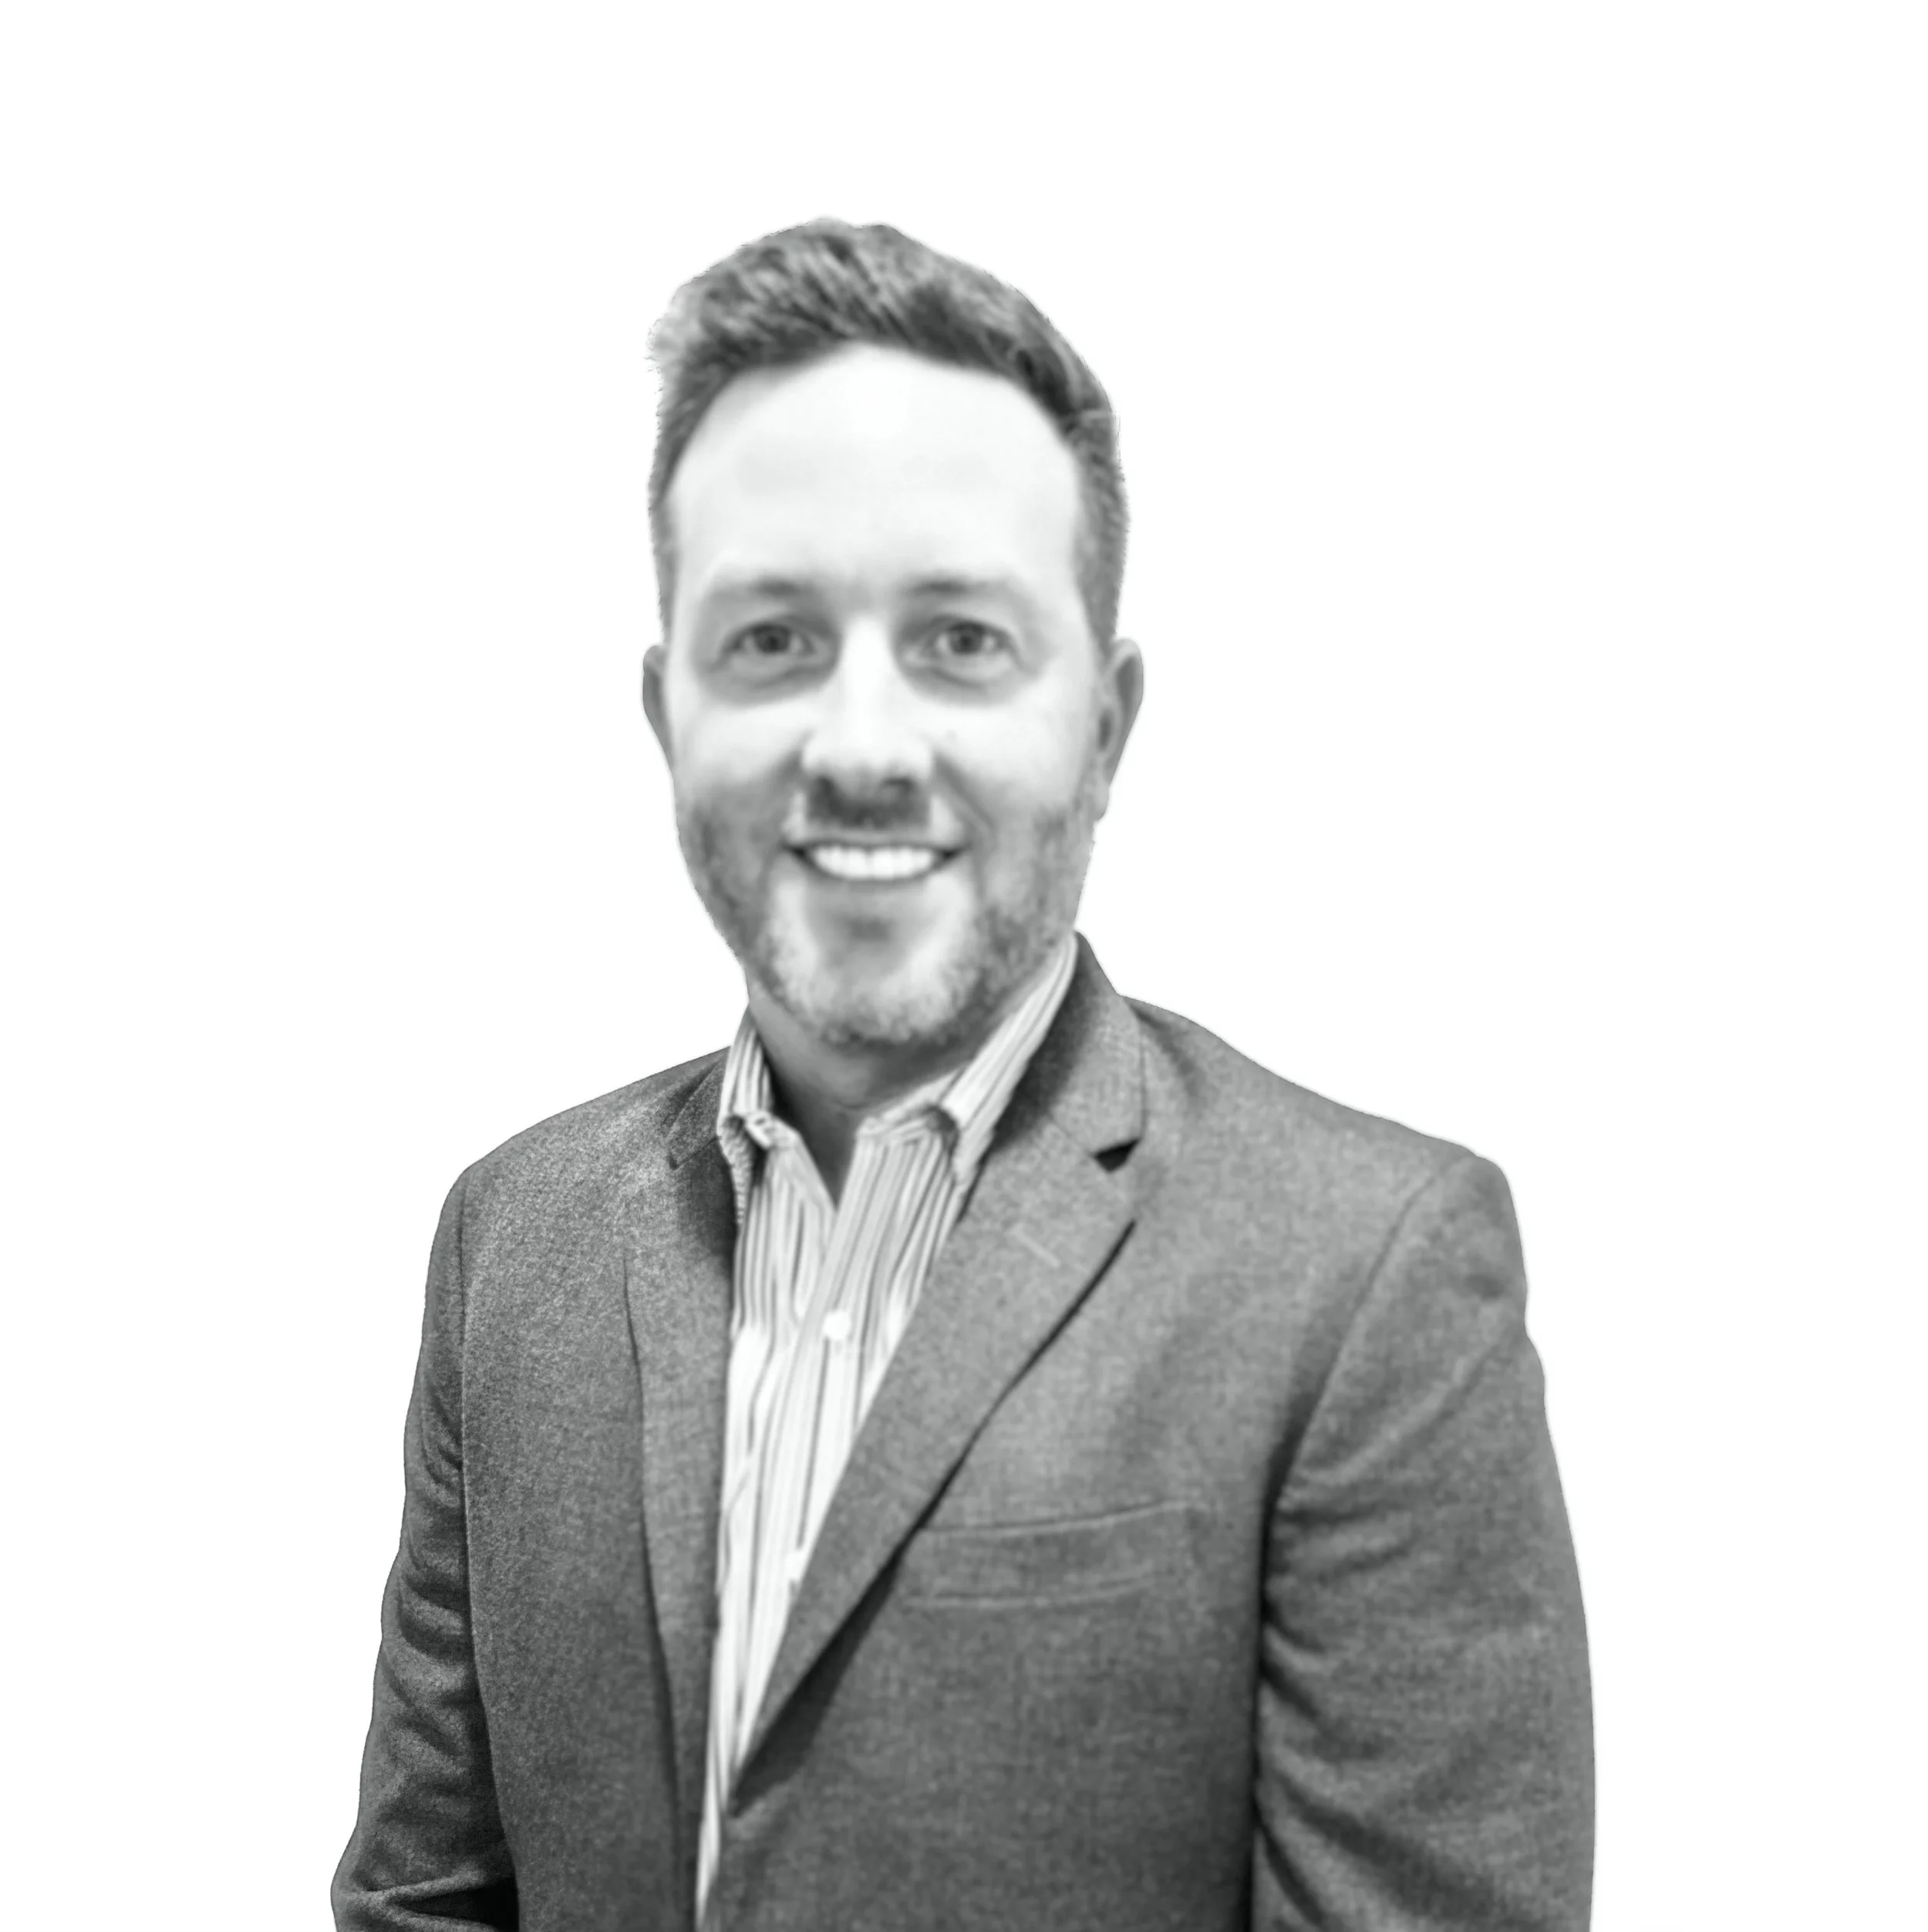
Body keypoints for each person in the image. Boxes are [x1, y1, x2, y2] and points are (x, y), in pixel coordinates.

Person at [334, 218, 1593, 1932]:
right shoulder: (513, 1241)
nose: (860, 742)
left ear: (1105, 726)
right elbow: (426, 1901)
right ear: (664, 715)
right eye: (770, 639)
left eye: (961, 642)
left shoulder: (1361, 1276)